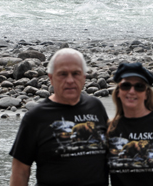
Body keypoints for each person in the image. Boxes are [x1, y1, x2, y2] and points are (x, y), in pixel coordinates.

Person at [9, 48, 109, 186]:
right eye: (63, 74)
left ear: (84, 77)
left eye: (76, 74)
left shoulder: (96, 107)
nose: (70, 80)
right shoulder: (35, 117)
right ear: (51, 78)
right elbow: (20, 171)